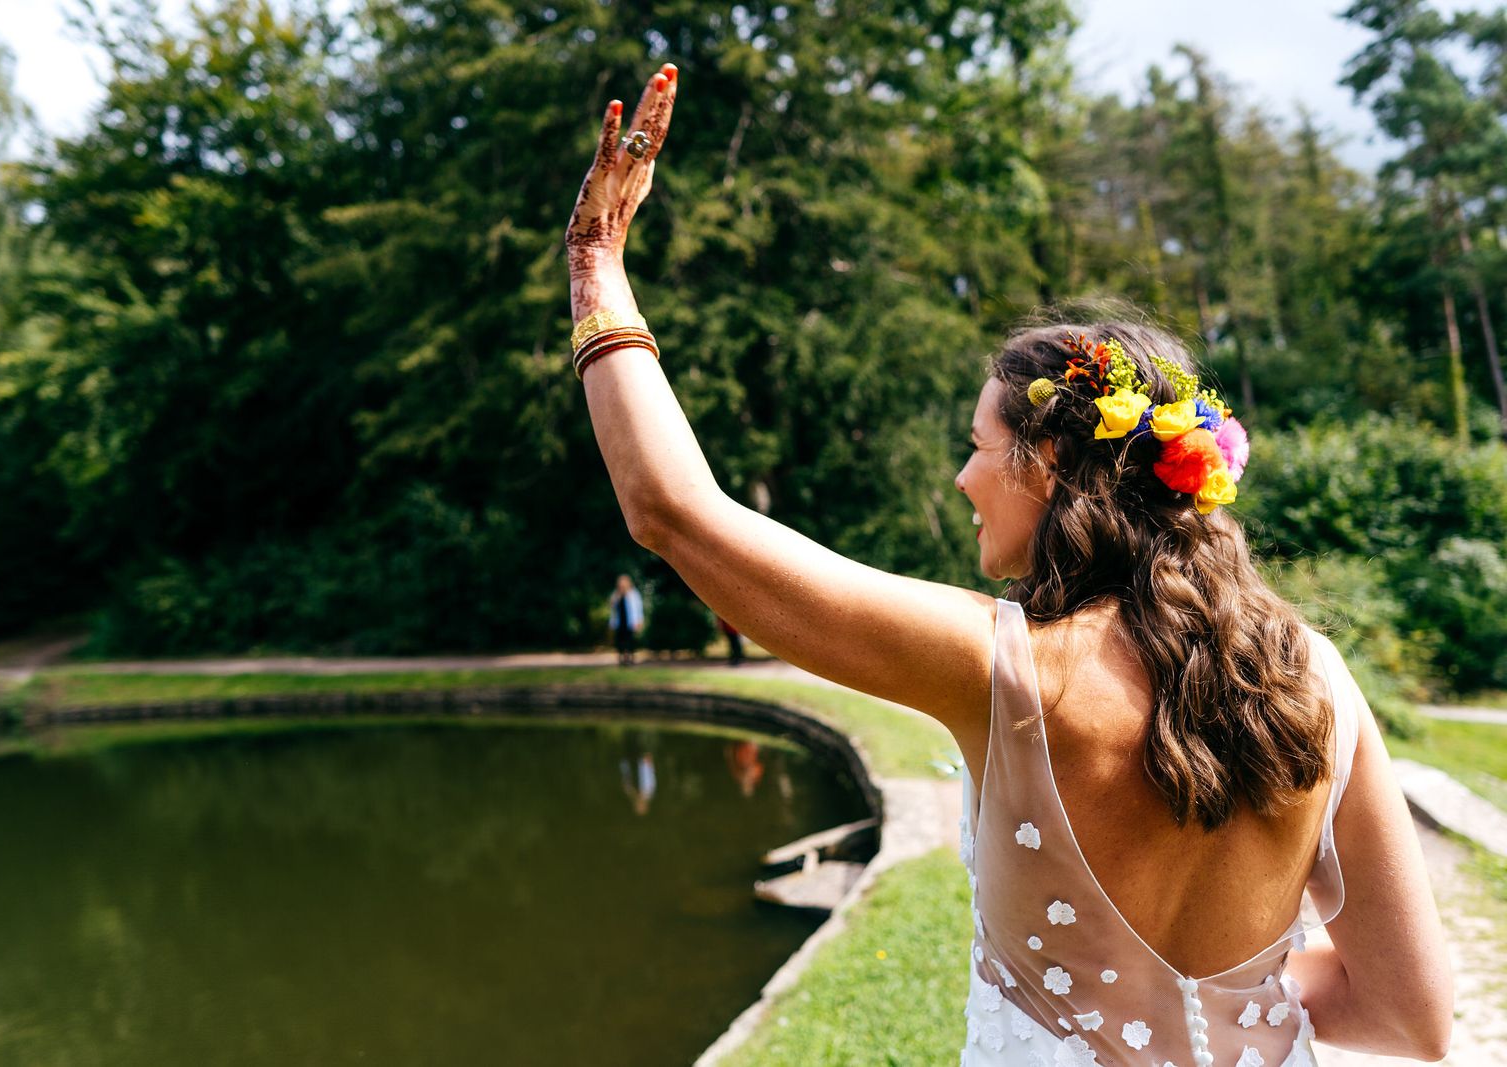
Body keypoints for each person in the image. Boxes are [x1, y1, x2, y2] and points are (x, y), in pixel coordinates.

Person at [564, 63, 1452, 1064]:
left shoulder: (1006, 672)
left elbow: (671, 509)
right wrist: (1216, 1000)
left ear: (1050, 466)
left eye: (979, 447)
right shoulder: (1318, 678)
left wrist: (596, 260)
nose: (958, 477)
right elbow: (1408, 1014)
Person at [608, 573, 644, 665]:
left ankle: (630, 659)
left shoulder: (633, 594)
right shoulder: (616, 594)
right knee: (620, 641)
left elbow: (638, 608)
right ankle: (621, 659)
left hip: (630, 622)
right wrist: (619, 595)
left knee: (630, 641)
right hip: (619, 622)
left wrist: (639, 621)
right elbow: (612, 606)